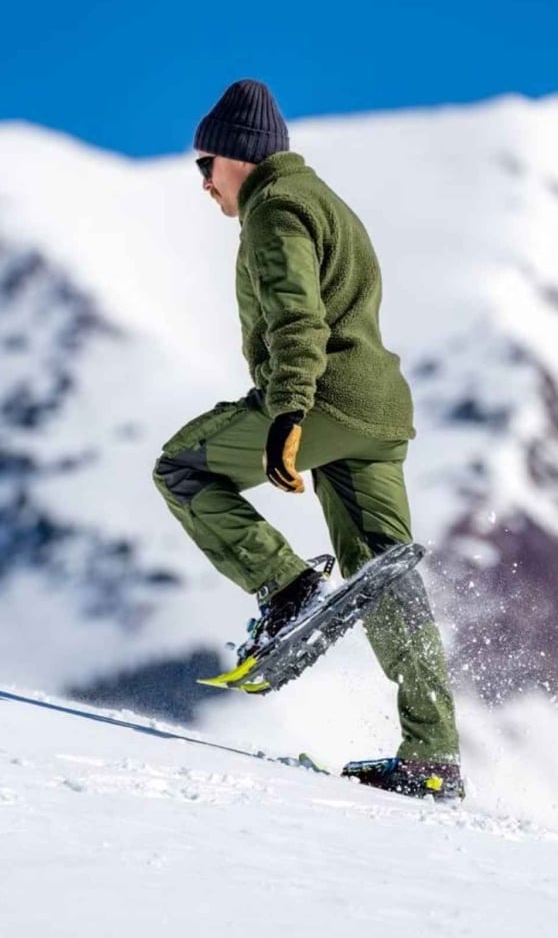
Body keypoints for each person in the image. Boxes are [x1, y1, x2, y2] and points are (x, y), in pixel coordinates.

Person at [152, 79, 463, 799]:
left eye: (207, 164)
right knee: (387, 575)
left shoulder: (276, 207)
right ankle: (433, 755)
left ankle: (286, 585)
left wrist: (288, 411)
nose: (203, 181)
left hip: (322, 398)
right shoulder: (324, 200)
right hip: (379, 414)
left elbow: (298, 318)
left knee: (182, 468)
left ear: (239, 156)